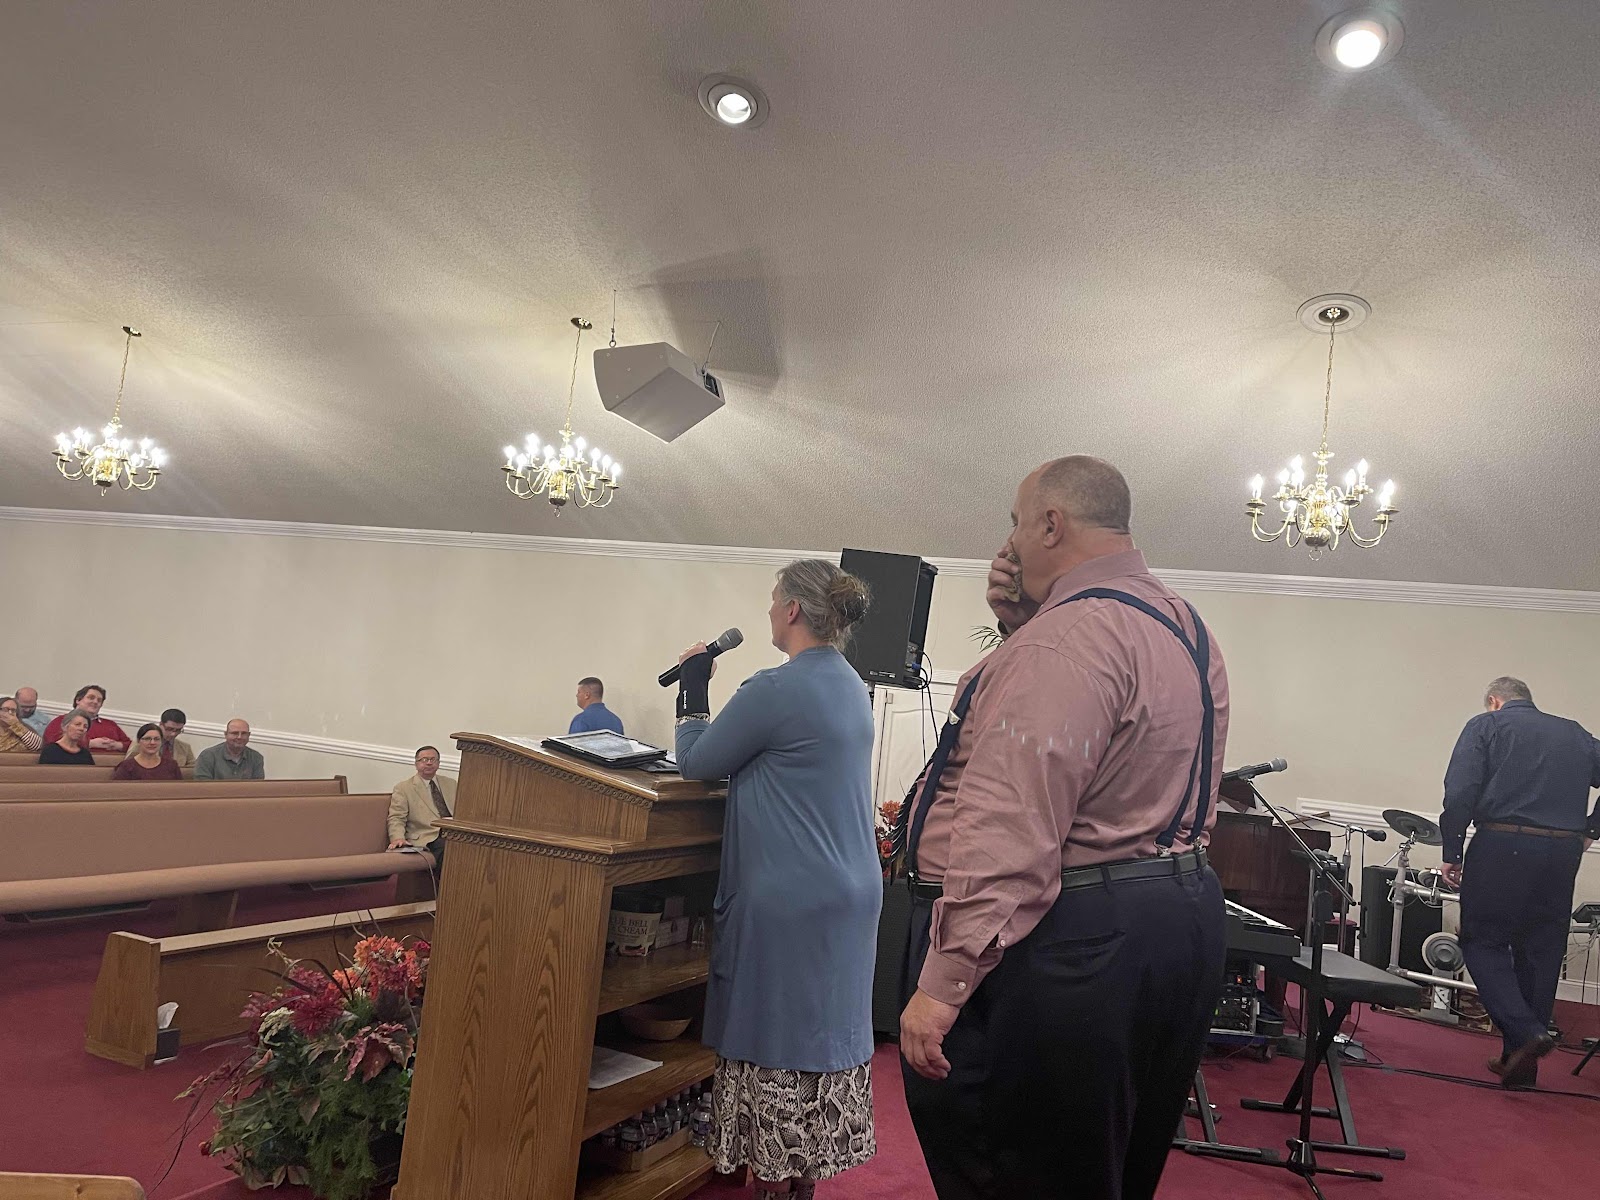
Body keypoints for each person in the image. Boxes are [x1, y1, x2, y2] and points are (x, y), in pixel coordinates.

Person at [895, 456, 1229, 1200]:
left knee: (1010, 1164)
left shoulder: (1065, 639)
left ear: (1051, 525)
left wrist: (945, 983)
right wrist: (1024, 625)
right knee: (1104, 1164)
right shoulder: (1182, 623)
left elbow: (1011, 821)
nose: (1010, 545)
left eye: (1017, 523)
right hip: (1174, 916)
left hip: (1071, 941)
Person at [673, 558, 881, 1200]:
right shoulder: (851, 684)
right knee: (818, 1040)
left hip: (793, 895)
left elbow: (696, 762)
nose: (767, 609)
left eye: (773, 600)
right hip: (849, 890)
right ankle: (800, 1184)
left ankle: (771, 1182)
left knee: (776, 1042)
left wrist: (693, 690)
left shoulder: (774, 687)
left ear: (792, 609)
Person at [1440, 676, 1600, 1088]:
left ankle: (1527, 1032)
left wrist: (1452, 850)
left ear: (1495, 701)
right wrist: (1591, 830)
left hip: (1502, 843)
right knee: (1541, 949)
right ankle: (1520, 1066)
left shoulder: (1486, 725)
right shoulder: (1575, 733)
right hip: (1562, 851)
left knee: (1482, 940)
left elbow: (1460, 790)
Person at [388, 745, 457, 866]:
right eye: (424, 760)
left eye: (433, 759)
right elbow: (397, 817)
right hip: (427, 836)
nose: (429, 763)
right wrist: (397, 838)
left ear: (438, 763)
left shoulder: (451, 784)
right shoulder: (403, 788)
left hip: (454, 832)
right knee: (448, 847)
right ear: (416, 764)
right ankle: (448, 879)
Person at [42, 685, 131, 752]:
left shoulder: (111, 725)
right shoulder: (62, 720)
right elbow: (52, 744)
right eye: (91, 698)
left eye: (99, 700)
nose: (95, 702)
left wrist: (117, 745)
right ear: (78, 700)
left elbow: (131, 746)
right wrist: (90, 744)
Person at [126, 708, 196, 775]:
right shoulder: (143, 743)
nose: (173, 734)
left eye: (178, 730)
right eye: (169, 729)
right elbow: (128, 765)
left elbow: (192, 771)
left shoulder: (185, 747)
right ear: (161, 724)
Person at [194, 719, 266, 780]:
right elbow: (202, 786)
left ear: (249, 735)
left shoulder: (256, 758)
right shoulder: (207, 756)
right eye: (235, 733)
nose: (239, 737)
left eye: (244, 733)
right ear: (226, 734)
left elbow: (257, 787)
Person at [111, 723, 184, 781]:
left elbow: (178, 789)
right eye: (147, 739)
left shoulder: (172, 765)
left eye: (157, 739)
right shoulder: (126, 767)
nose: (152, 743)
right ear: (139, 741)